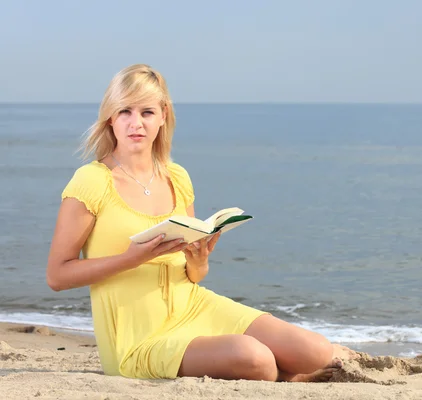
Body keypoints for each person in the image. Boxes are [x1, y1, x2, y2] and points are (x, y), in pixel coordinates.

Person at [46, 64, 353, 382]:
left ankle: (279, 372)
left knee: (315, 351)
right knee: (256, 359)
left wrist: (199, 261)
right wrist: (130, 259)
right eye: (125, 111)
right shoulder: (91, 182)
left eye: (147, 112)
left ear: (163, 116)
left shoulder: (177, 178)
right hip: (138, 339)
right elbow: (57, 275)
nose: (135, 123)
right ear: (110, 117)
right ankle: (284, 377)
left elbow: (193, 277)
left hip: (193, 306)